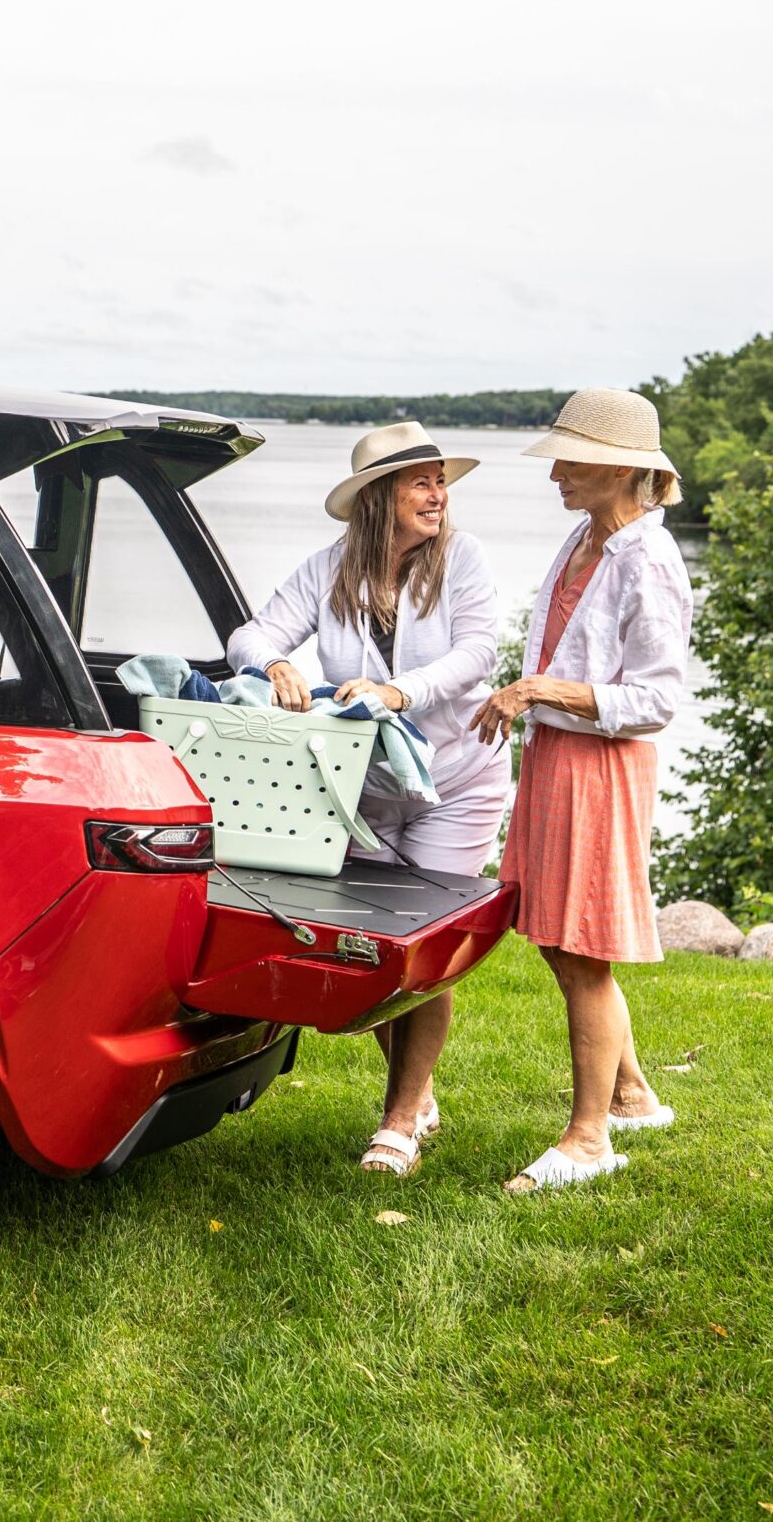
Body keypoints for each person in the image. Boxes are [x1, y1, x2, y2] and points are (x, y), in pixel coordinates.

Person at [227, 421, 509, 1177]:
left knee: (425, 950)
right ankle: (417, 1093)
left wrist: (397, 691)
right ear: (379, 496)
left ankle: (399, 1120)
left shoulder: (465, 560)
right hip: (367, 791)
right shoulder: (330, 569)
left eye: (439, 480)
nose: (438, 494)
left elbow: (478, 651)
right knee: (380, 957)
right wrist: (279, 661)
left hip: (455, 781)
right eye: (421, 481)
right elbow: (247, 635)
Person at [470, 388, 691, 1194]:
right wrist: (535, 696)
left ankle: (589, 1137)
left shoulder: (651, 559)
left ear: (618, 466)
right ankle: (632, 1094)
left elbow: (656, 700)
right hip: (560, 759)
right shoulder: (586, 539)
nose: (555, 470)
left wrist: (540, 691)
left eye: (569, 456)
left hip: (600, 768)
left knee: (585, 950)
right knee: (561, 939)